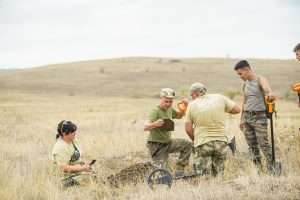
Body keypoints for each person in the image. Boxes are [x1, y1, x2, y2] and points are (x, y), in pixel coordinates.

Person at [185, 83, 240, 176]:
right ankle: (219, 187)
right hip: (221, 141)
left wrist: (195, 139)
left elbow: (188, 129)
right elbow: (237, 109)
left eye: (191, 95)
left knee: (204, 175)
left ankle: (208, 187)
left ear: (195, 93)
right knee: (219, 174)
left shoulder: (191, 105)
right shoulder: (219, 97)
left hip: (203, 142)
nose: (192, 98)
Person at [234, 60, 275, 170]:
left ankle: (272, 167)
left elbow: (267, 89)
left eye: (240, 73)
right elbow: (244, 103)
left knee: (263, 144)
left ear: (247, 70)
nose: (239, 76)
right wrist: (241, 119)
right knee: (252, 145)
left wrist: (270, 93)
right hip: (247, 117)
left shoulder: (260, 79)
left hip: (259, 117)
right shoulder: (244, 84)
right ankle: (258, 169)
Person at [143, 88, 192, 176]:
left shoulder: (169, 109)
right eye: (166, 101)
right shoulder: (155, 111)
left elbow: (178, 116)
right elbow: (145, 127)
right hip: (156, 146)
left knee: (187, 144)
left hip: (167, 143)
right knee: (164, 173)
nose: (168, 104)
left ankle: (180, 171)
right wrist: (155, 124)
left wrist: (184, 107)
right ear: (161, 98)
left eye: (170, 102)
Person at [52, 120, 95, 186]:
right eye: (72, 132)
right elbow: (63, 168)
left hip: (78, 169)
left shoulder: (73, 140)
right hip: (67, 176)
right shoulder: (60, 147)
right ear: (64, 133)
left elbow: (80, 155)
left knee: (97, 172)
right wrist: (82, 169)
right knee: (93, 178)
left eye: (75, 131)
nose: (75, 133)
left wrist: (86, 164)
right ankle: (68, 184)